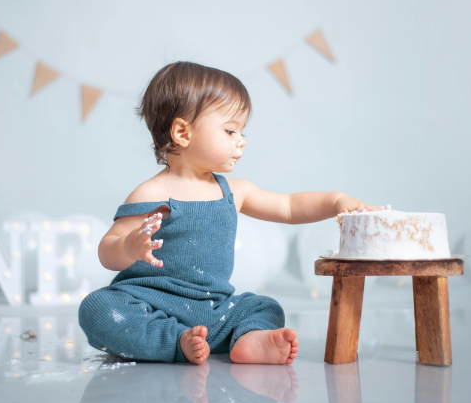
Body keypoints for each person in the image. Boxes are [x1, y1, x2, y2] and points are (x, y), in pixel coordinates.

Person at [78, 61, 383, 364]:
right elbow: (107, 251)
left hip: (214, 309)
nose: (242, 141)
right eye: (230, 130)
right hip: (149, 304)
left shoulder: (233, 191)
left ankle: (248, 340)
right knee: (97, 308)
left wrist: (335, 201)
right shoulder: (152, 193)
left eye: (242, 131)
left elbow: (289, 206)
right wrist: (128, 245)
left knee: (266, 307)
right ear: (183, 132)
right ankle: (173, 340)